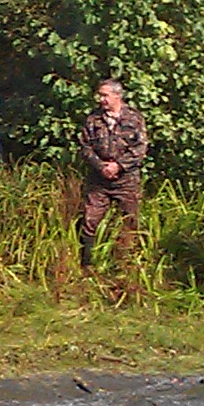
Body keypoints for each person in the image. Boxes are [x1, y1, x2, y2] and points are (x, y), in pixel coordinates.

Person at [74, 78, 148, 267]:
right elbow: (85, 147)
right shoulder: (93, 119)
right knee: (89, 220)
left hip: (126, 181)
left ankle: (126, 264)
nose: (101, 100)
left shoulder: (134, 118)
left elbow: (140, 148)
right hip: (99, 181)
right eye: (100, 95)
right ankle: (86, 265)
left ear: (117, 95)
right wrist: (101, 166)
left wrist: (118, 166)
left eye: (105, 95)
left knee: (130, 222)